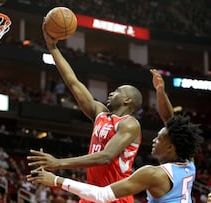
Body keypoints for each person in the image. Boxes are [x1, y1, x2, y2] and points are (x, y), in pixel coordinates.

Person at [28, 21, 172, 203]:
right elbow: (73, 82)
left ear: (128, 100)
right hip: (91, 193)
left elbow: (106, 157)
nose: (112, 92)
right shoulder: (101, 114)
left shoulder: (129, 123)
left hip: (115, 196)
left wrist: (59, 163)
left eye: (118, 91)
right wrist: (53, 48)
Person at [28, 114, 204, 203]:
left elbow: (102, 195)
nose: (154, 140)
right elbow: (170, 117)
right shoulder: (190, 165)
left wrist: (56, 180)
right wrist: (160, 92)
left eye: (159, 138)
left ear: (170, 147)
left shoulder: (153, 174)